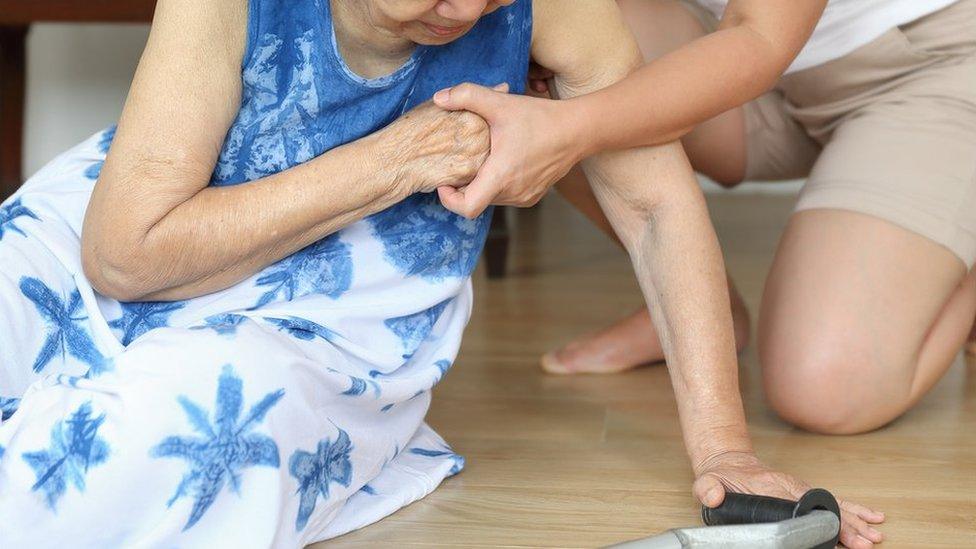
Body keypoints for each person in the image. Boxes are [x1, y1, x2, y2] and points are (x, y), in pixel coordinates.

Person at [0, 0, 881, 546]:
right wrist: (387, 162)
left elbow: (654, 205)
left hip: (327, 325)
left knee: (163, 425)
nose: (467, 10)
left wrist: (726, 447)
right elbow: (124, 255)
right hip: (161, 223)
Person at [435, 0, 976, 444]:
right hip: (757, 69)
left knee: (822, 386)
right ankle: (701, 302)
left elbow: (761, 39)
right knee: (540, 41)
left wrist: (572, 125)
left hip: (926, 60)